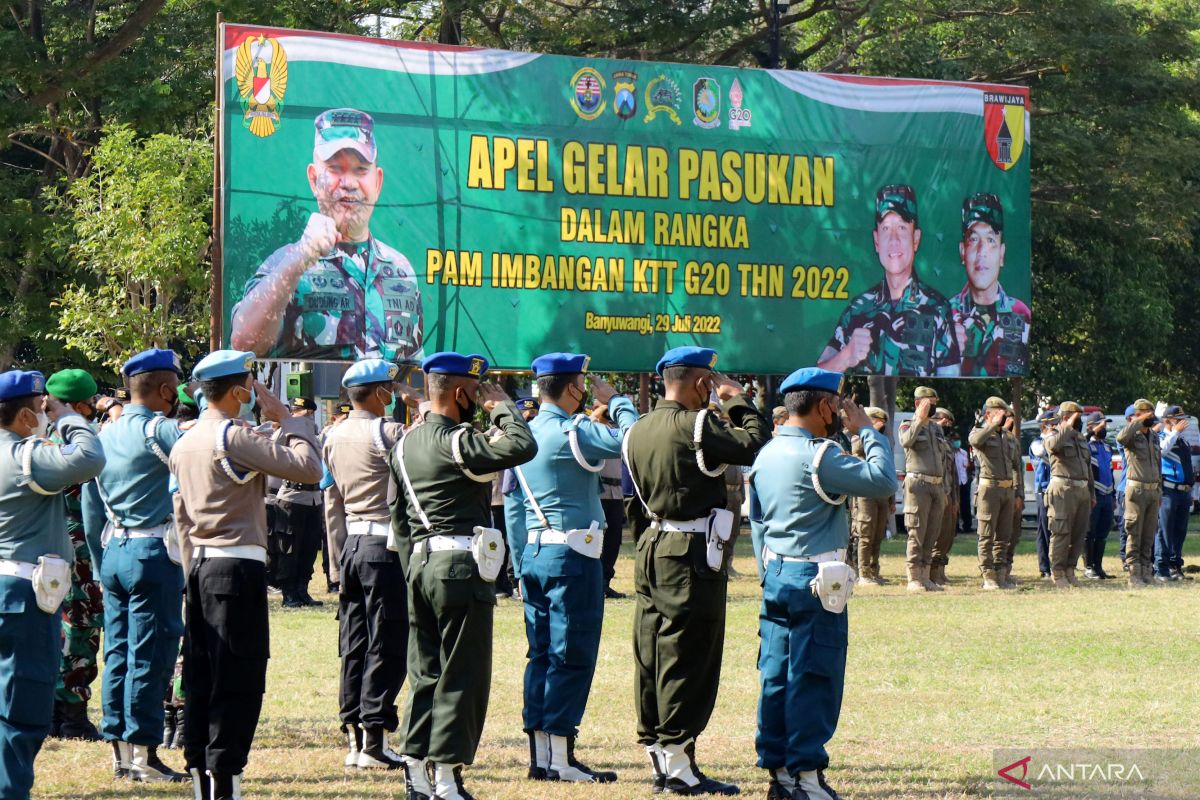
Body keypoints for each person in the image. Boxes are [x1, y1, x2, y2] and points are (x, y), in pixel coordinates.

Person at [170, 350, 322, 799]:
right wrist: (288, 419)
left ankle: (203, 778)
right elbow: (310, 469)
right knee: (239, 679)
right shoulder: (230, 437)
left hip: (199, 565)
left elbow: (180, 517)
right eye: (251, 387)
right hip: (236, 569)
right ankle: (225, 783)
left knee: (203, 678)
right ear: (239, 390)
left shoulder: (186, 439)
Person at [388, 352, 536, 800]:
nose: (478, 400)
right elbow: (521, 446)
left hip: (419, 565)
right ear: (458, 393)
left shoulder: (404, 444)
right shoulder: (456, 441)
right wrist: (504, 408)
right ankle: (448, 779)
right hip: (459, 568)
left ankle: (415, 771)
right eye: (475, 392)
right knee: (462, 675)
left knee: (425, 673)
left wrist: (414, 570)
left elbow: (399, 520)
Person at [624, 346, 769, 796]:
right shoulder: (698, 424)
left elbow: (633, 501)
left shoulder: (636, 429)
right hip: (689, 550)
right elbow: (755, 442)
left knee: (650, 652)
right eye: (711, 380)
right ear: (702, 382)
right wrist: (736, 398)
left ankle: (659, 753)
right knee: (689, 652)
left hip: (650, 544)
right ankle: (679, 762)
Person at [749, 367, 897, 800]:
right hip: (816, 580)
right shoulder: (821, 455)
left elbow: (757, 522)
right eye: (836, 404)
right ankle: (807, 777)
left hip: (776, 573)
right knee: (815, 676)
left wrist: (767, 573)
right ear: (824, 405)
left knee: (775, 674)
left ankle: (778, 772)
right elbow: (883, 481)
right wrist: (868, 431)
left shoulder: (767, 452)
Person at [506, 352, 636, 784]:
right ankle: (560, 757)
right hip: (573, 556)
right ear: (574, 388)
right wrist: (617, 401)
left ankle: (541, 754)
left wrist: (520, 560)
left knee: (540, 654)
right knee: (570, 653)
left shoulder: (523, 433)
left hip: (535, 554)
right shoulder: (575, 430)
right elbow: (633, 440)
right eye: (582, 384)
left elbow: (512, 505)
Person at [230, 108, 423, 362]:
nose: (349, 182)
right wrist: (300, 258)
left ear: (378, 182)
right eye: (335, 169)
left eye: (360, 170)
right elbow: (244, 344)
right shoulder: (285, 265)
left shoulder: (401, 270)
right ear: (313, 180)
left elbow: (414, 367)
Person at [76, 351, 190, 783]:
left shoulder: (103, 434)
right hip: (152, 552)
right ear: (164, 390)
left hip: (114, 551)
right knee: (152, 652)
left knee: (119, 653)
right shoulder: (160, 430)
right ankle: (144, 756)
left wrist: (102, 560)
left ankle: (121, 755)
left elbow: (91, 511)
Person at [0, 369, 105, 799]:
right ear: (27, 414)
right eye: (42, 407)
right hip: (22, 594)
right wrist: (67, 417)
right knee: (22, 708)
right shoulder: (25, 456)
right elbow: (90, 457)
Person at [322, 359, 409, 771]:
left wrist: (336, 559)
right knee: (387, 641)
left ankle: (356, 736)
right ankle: (375, 735)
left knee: (354, 641)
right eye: (390, 387)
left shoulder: (332, 435)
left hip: (352, 543)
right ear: (379, 393)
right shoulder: (388, 431)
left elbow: (330, 500)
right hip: (384, 545)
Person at [817, 184, 960, 376]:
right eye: (886, 228)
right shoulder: (858, 309)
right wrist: (846, 356)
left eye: (902, 227)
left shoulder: (937, 308)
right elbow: (815, 375)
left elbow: (951, 380)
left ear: (916, 239)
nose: (893, 240)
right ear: (876, 241)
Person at [39, 371, 104, 743]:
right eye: (89, 405)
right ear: (79, 406)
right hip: (78, 550)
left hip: (49, 551)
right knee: (80, 627)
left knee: (58, 628)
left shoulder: (43, 442)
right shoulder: (80, 445)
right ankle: (71, 716)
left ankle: (54, 711)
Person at [950, 192, 1031, 376]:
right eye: (974, 239)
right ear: (963, 251)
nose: (982, 252)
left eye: (991, 240)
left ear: (1001, 254)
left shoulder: (1021, 313)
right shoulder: (943, 316)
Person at [274, 397, 326, 608]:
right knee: (289, 548)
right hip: (291, 497)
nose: (295, 415)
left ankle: (302, 590)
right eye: (294, 411)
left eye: (300, 411)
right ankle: (289, 593)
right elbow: (273, 451)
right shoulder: (284, 432)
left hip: (314, 498)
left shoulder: (316, 435)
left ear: (310, 413)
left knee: (309, 548)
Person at [899, 386, 947, 592]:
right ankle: (914, 577)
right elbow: (906, 441)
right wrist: (919, 418)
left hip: (937, 484)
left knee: (932, 531)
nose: (933, 406)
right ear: (918, 403)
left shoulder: (936, 428)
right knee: (917, 530)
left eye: (934, 403)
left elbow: (943, 458)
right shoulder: (908, 425)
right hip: (918, 484)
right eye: (929, 402)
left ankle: (926, 576)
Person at [969, 397, 1020, 590]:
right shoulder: (980, 433)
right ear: (988, 414)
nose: (1004, 416)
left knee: (1004, 536)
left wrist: (1017, 493)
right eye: (999, 412)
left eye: (1004, 413)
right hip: (989, 489)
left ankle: (1000, 574)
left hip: (1007, 489)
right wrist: (991, 425)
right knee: (987, 534)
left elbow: (1016, 467)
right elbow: (974, 441)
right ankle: (988, 575)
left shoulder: (1007, 437)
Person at [1042, 402, 1094, 588]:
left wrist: (1091, 493)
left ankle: (1070, 569)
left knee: (1079, 533)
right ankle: (1058, 572)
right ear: (1065, 417)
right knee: (1061, 532)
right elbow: (1053, 447)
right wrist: (1067, 427)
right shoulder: (1054, 435)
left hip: (1082, 490)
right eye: (1076, 416)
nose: (1079, 420)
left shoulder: (1079, 438)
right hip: (1063, 489)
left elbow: (1087, 468)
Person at [1117, 400, 1162, 586]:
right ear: (1137, 415)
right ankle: (1134, 573)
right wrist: (1138, 420)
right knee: (1134, 532)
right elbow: (1120, 438)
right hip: (1136, 490)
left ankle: (1146, 571)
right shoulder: (1132, 436)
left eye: (1150, 413)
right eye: (1146, 413)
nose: (1150, 417)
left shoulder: (1153, 436)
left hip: (1153, 490)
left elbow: (1158, 466)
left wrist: (1160, 490)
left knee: (1149, 533)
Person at [852, 406, 893, 585]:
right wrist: (870, 432)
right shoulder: (858, 436)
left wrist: (891, 498)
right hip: (865, 490)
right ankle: (863, 573)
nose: (881, 425)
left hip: (881, 491)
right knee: (866, 532)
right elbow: (857, 449)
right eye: (878, 421)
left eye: (882, 423)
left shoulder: (883, 440)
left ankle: (874, 570)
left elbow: (888, 468)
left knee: (878, 533)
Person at [591, 402, 628, 599]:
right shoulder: (592, 429)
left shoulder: (617, 431)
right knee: (598, 539)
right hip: (600, 491)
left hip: (616, 492)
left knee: (614, 540)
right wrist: (599, 412)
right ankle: (595, 582)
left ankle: (605, 581)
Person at [1155, 406, 1193, 582]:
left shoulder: (1182, 440)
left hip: (1183, 491)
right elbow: (1161, 451)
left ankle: (1175, 565)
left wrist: (1190, 488)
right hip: (1168, 490)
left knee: (1179, 531)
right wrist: (1174, 432)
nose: (1182, 423)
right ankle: (1161, 568)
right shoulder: (1162, 437)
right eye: (1178, 420)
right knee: (1164, 531)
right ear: (1167, 421)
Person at [928, 407, 959, 587]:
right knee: (937, 534)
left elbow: (952, 473)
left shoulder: (946, 442)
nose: (947, 425)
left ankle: (940, 570)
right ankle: (932, 572)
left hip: (949, 493)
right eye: (944, 421)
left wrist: (955, 498)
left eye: (949, 423)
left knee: (947, 535)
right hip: (938, 492)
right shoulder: (933, 440)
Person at [1083, 412, 1115, 579]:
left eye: (1105, 426)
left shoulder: (1107, 447)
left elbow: (1109, 471)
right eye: (1101, 425)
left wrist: (1114, 495)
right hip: (1093, 494)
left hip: (1107, 494)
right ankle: (1088, 567)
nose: (1104, 428)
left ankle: (1098, 566)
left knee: (1103, 532)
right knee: (1090, 532)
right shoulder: (1086, 445)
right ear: (1091, 427)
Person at [997, 412, 1025, 587]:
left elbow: (1017, 470)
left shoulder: (1013, 441)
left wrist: (1019, 494)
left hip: (1012, 492)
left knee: (1012, 534)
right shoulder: (986, 437)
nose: (1011, 421)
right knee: (996, 535)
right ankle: (995, 571)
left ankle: (1006, 570)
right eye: (1006, 417)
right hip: (995, 491)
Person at [1030, 410, 1054, 577]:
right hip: (1044, 490)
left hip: (1058, 490)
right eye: (1053, 424)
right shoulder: (1037, 443)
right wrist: (1051, 437)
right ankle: (1045, 567)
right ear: (1045, 426)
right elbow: (1040, 453)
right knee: (1044, 530)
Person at [954, 437, 972, 532]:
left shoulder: (964, 453)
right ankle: (955, 526)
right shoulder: (950, 453)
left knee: (965, 504)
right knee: (955, 504)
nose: (957, 442)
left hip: (964, 481)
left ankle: (967, 526)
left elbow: (967, 465)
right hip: (954, 483)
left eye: (958, 440)